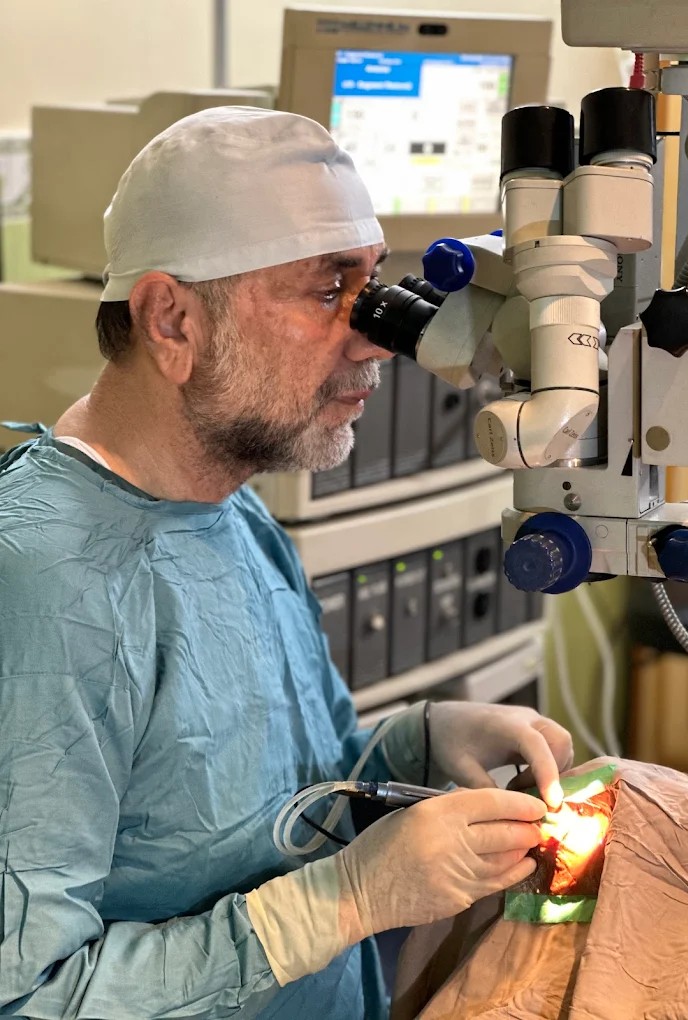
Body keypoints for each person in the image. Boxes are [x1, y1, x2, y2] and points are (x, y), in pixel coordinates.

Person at [0, 106, 574, 1018]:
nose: (377, 335)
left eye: (373, 281)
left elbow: (267, 808)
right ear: (172, 320)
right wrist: (348, 900)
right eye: (325, 289)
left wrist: (411, 745)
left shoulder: (228, 509)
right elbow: (29, 997)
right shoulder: (40, 583)